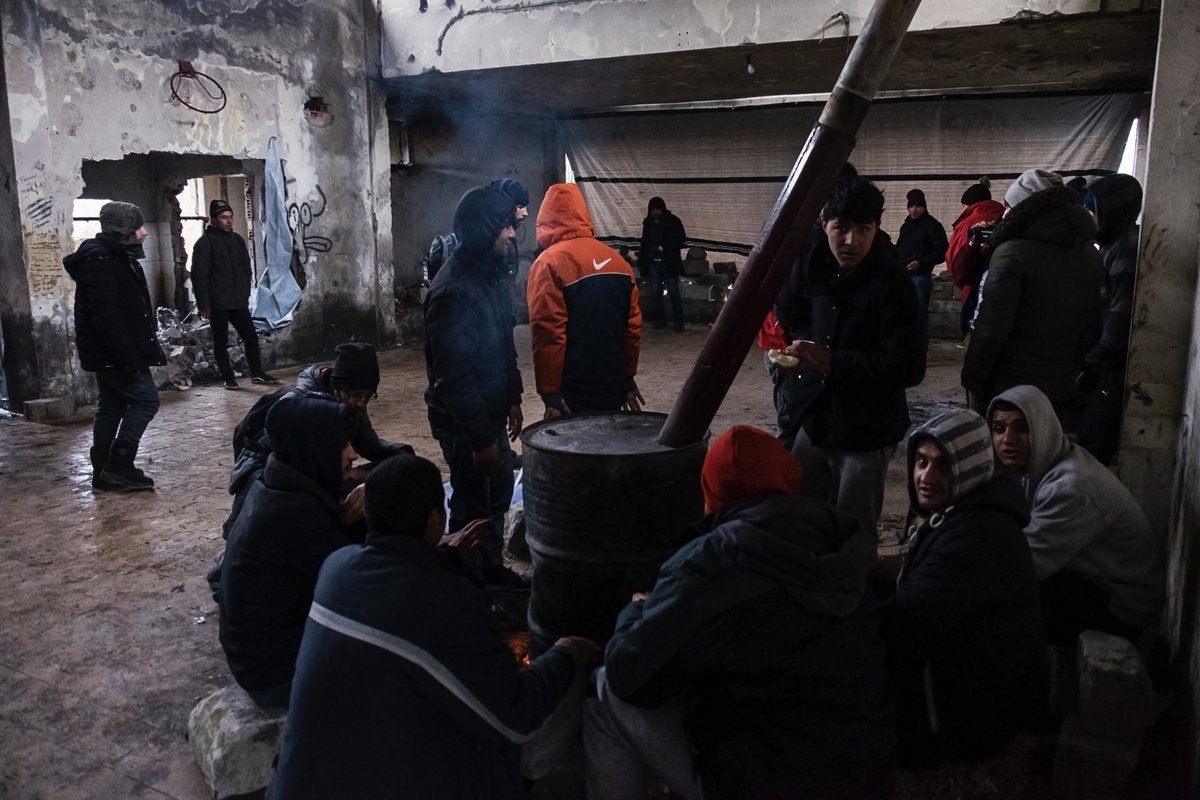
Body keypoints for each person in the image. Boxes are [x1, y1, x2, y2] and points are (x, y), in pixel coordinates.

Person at [586, 425, 893, 799]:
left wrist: (635, 612)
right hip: (864, 775)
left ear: (710, 490)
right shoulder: (837, 538)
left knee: (604, 690)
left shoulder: (709, 561)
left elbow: (627, 672)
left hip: (762, 784)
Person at [268, 454, 601, 799]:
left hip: (299, 784)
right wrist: (565, 654)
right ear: (434, 519)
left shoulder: (337, 567)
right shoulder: (446, 601)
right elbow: (511, 720)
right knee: (552, 696)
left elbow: (399, 594)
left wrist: (445, 561)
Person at [877, 409, 1045, 768]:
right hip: (975, 695)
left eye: (942, 466)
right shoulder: (971, 512)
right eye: (921, 462)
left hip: (964, 722)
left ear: (967, 467)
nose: (925, 476)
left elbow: (903, 627)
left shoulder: (975, 538)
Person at [774, 177, 926, 552]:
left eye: (864, 229)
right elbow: (789, 312)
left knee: (852, 535)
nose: (851, 241)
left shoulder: (893, 284)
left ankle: (852, 600)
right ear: (824, 222)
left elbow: (909, 367)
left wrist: (833, 363)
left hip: (866, 431)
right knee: (802, 522)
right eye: (841, 228)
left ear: (877, 227)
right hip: (816, 418)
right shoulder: (817, 265)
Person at [987, 385, 1163, 648]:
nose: (1007, 440)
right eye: (999, 428)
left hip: (1123, 606)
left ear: (1043, 428)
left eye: (1022, 428)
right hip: (1093, 581)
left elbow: (1025, 567)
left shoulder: (1070, 487)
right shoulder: (1045, 462)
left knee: (997, 608)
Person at [218, 395, 356, 708]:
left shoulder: (274, 480)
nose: (352, 453)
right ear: (315, 448)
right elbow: (360, 584)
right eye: (341, 443)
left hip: (252, 660)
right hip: (274, 677)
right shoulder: (296, 514)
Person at [424, 186, 527, 588]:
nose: (512, 234)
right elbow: (454, 378)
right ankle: (470, 584)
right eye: (504, 225)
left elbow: (504, 342)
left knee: (499, 486)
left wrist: (514, 397)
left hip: (489, 412)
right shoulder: (454, 292)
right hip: (464, 424)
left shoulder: (488, 276)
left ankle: (489, 570)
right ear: (484, 230)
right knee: (473, 500)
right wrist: (482, 440)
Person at [223, 341, 413, 537]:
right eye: (357, 396)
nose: (361, 404)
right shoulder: (297, 408)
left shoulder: (351, 401)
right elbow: (278, 472)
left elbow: (370, 444)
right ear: (337, 386)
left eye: (368, 396)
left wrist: (402, 454)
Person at [961, 169, 1103, 424]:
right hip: (1059, 379)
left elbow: (992, 329)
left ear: (1024, 208)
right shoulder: (1090, 255)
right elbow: (1092, 326)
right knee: (1042, 446)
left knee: (1000, 448)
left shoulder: (1013, 253)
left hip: (1007, 382)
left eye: (1008, 205)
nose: (1004, 213)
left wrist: (973, 378)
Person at [63, 201, 165, 492]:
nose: (144, 233)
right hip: (115, 353)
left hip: (113, 352)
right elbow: (106, 318)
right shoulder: (102, 261)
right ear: (123, 229)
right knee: (147, 401)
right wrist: (128, 358)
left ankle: (103, 470)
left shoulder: (116, 257)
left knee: (112, 404)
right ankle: (119, 465)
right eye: (138, 227)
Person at [527, 183, 643, 418]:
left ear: (545, 218)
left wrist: (550, 392)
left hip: (572, 394)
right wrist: (627, 377)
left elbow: (548, 331)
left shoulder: (548, 263)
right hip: (613, 387)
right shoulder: (618, 262)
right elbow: (632, 328)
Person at [1076, 174, 1143, 464]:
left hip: (1110, 364)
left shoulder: (1124, 249)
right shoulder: (1110, 244)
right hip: (1104, 359)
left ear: (1111, 212)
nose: (1087, 218)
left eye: (1092, 211)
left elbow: (1119, 314)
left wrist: (1092, 363)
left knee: (1094, 439)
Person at [191, 198, 277, 390]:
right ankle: (228, 378)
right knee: (220, 342)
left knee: (251, 337)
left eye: (230, 217)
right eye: (223, 217)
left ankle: (257, 373)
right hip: (218, 303)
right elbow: (199, 276)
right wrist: (204, 304)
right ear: (214, 220)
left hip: (238, 302)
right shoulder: (205, 243)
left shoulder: (237, 239)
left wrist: (246, 292)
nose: (228, 221)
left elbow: (247, 268)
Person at [945, 178, 1005, 334]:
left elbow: (955, 260)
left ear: (969, 205)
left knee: (975, 336)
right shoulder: (1006, 219)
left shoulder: (967, 224)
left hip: (972, 287)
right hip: (1004, 287)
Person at [895, 188, 948, 334]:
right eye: (911, 206)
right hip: (902, 276)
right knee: (901, 314)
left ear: (924, 207)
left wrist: (922, 262)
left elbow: (941, 251)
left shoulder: (933, 226)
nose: (914, 210)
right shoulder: (905, 226)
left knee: (919, 314)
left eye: (918, 206)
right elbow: (899, 248)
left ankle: (920, 348)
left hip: (919, 277)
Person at [638, 196, 687, 331]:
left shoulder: (673, 221)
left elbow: (681, 238)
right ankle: (661, 320)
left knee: (673, 292)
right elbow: (645, 242)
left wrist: (665, 247)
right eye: (653, 210)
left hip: (669, 262)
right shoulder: (648, 223)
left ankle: (678, 322)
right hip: (654, 262)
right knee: (656, 293)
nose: (655, 212)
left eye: (657, 210)